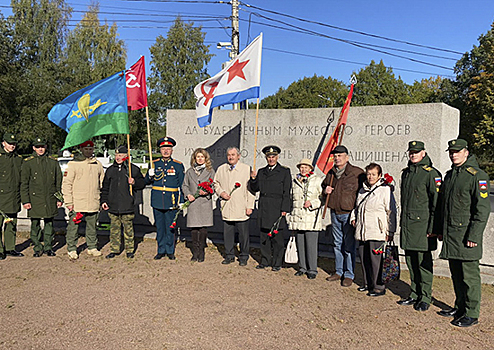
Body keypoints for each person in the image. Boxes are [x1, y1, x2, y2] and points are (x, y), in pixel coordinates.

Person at [436, 139, 490, 328]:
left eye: (457, 151)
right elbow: (445, 207)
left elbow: (482, 210)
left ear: (466, 152)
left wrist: (474, 236)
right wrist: (440, 231)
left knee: (470, 277)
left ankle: (472, 313)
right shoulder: (451, 175)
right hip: (452, 235)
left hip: (467, 236)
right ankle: (460, 307)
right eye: (451, 151)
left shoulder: (477, 176)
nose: (454, 154)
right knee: (456, 275)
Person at [398, 141, 441, 311]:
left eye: (416, 152)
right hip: (408, 226)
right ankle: (414, 293)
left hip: (423, 228)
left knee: (424, 264)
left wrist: (433, 228)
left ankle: (425, 297)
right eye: (411, 152)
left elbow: (436, 205)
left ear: (424, 152)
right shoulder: (407, 173)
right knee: (411, 262)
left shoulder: (431, 174)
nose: (413, 154)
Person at [350, 163, 397, 296]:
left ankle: (379, 287)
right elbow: (357, 207)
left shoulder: (385, 190)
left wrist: (391, 231)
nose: (370, 177)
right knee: (365, 259)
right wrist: (353, 218)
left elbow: (391, 211)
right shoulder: (362, 190)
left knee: (376, 261)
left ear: (379, 176)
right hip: (362, 230)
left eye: (373, 174)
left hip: (377, 230)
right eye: (368, 174)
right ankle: (368, 283)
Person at [322, 145, 364, 287]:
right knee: (337, 244)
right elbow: (323, 187)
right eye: (335, 156)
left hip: (348, 214)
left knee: (349, 246)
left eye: (340, 156)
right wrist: (325, 190)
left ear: (347, 157)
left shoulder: (356, 173)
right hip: (334, 212)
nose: (337, 158)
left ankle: (349, 274)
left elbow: (364, 192)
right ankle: (338, 271)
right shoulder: (331, 173)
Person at [249, 145, 291, 271]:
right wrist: (253, 179)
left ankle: (277, 263)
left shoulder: (284, 171)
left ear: (277, 157)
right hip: (264, 207)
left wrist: (285, 209)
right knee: (264, 237)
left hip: (277, 208)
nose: (271, 159)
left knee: (277, 238)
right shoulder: (262, 171)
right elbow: (255, 188)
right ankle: (265, 260)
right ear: (266, 158)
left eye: (273, 157)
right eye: (269, 157)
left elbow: (286, 192)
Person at [101, 145, 146, 259]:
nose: (118, 157)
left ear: (126, 156)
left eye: (121, 155)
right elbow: (105, 187)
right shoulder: (110, 170)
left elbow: (142, 184)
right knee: (114, 230)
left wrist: (134, 182)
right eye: (116, 155)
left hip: (127, 204)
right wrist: (104, 201)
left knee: (128, 229)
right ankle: (114, 249)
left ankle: (129, 250)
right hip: (113, 205)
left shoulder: (133, 169)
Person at [62, 140, 105, 260]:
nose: (88, 151)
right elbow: (67, 184)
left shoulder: (97, 164)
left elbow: (102, 182)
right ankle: (71, 248)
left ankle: (92, 246)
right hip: (78, 203)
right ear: (81, 149)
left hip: (93, 201)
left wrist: (102, 199)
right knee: (73, 227)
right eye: (85, 149)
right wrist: (69, 202)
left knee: (92, 227)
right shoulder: (74, 164)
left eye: (90, 149)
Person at [20, 137, 63, 257]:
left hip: (49, 198)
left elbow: (58, 182)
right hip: (35, 199)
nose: (40, 149)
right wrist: (25, 200)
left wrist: (59, 198)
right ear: (34, 148)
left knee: (49, 224)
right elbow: (24, 183)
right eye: (38, 147)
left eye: (42, 146)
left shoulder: (53, 162)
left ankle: (48, 247)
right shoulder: (28, 162)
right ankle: (37, 247)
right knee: (35, 224)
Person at [145, 137, 185, 260]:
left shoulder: (177, 165)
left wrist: (182, 200)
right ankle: (161, 250)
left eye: (168, 148)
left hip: (171, 200)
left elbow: (182, 184)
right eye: (163, 149)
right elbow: (146, 181)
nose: (166, 151)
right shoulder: (154, 164)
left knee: (170, 226)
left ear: (172, 150)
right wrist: (150, 176)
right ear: (160, 150)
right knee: (160, 227)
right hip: (157, 200)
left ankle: (170, 250)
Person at [214, 147, 255, 266]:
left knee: (243, 235)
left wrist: (250, 206)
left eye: (233, 155)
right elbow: (216, 184)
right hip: (227, 206)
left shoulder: (246, 169)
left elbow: (250, 190)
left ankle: (243, 256)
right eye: (229, 155)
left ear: (239, 156)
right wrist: (221, 193)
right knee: (228, 234)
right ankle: (229, 255)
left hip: (241, 206)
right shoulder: (222, 169)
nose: (231, 157)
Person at [287, 158, 323, 279]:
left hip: (311, 218)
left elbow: (322, 198)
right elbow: (292, 198)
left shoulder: (317, 181)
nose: (303, 169)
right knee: (300, 244)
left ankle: (312, 269)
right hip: (298, 218)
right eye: (301, 167)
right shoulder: (295, 181)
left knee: (311, 245)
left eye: (306, 167)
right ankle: (302, 267)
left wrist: (312, 203)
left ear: (310, 169)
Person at [182, 148, 215, 262]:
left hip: (204, 203)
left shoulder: (210, 171)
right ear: (194, 158)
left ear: (206, 159)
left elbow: (214, 185)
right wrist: (188, 195)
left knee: (203, 228)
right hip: (193, 203)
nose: (200, 159)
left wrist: (207, 191)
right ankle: (195, 252)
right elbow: (184, 186)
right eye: (198, 157)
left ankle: (201, 251)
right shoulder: (189, 171)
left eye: (202, 157)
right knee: (194, 228)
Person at [0, 133, 24, 259]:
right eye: (9, 143)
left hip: (14, 197)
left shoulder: (18, 159)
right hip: (1, 197)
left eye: (14, 144)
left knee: (11, 225)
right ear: (3, 143)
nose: (12, 146)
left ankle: (10, 248)